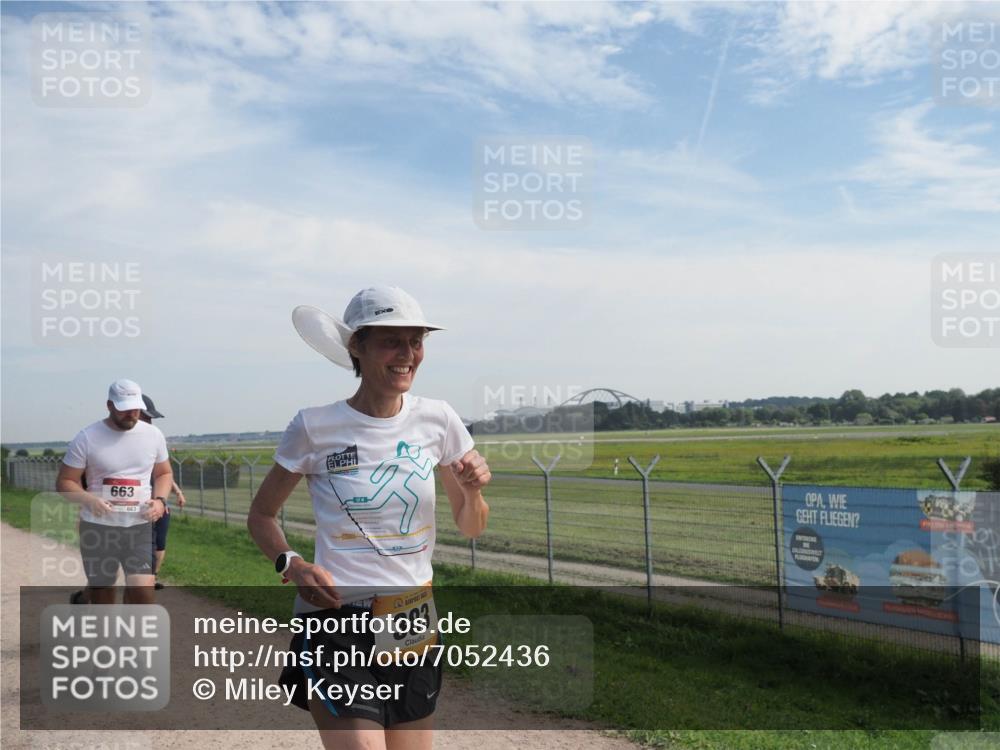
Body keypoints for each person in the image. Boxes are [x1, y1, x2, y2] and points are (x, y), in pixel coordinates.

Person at [248, 286, 490, 750]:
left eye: (416, 341)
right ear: (355, 346)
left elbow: (472, 525)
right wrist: (292, 565)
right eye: (391, 341)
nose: (408, 355)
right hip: (335, 619)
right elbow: (261, 515)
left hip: (412, 619)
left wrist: (474, 492)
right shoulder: (314, 426)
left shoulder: (439, 420)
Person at [56, 379, 172, 605]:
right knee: (103, 596)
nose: (131, 413)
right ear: (110, 406)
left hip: (139, 527)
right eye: (125, 409)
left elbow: (163, 474)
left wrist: (159, 501)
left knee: (142, 594)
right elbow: (65, 482)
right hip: (99, 529)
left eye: (136, 408)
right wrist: (89, 500)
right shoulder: (87, 437)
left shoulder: (153, 435)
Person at [138, 393, 187, 589]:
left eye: (151, 418)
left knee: (159, 541)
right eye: (147, 417)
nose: (150, 422)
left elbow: (164, 474)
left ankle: (152, 577)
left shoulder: (154, 439)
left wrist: (176, 492)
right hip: (136, 507)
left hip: (159, 502)